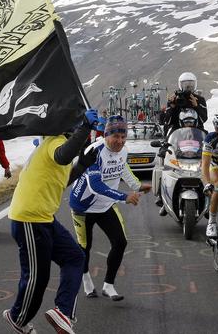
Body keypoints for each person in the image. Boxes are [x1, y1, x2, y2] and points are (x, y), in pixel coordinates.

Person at [3, 109, 98, 334]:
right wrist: (86, 127)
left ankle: (63, 313)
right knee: (37, 277)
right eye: (76, 126)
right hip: (29, 218)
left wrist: (82, 165)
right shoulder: (53, 142)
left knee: (75, 257)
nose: (77, 131)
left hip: (43, 218)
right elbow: (63, 154)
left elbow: (61, 180)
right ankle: (17, 318)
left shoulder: (56, 147)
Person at [69, 115, 152, 301]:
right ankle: (86, 279)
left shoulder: (123, 150)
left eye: (123, 137)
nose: (120, 141)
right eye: (116, 137)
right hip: (83, 206)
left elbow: (123, 168)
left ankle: (108, 285)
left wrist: (137, 186)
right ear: (106, 135)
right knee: (84, 247)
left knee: (120, 242)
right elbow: (96, 187)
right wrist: (125, 197)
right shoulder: (94, 151)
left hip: (105, 205)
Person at [154, 109, 199, 209]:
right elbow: (166, 142)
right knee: (164, 171)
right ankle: (161, 196)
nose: (189, 124)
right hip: (178, 159)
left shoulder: (201, 132)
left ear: (195, 122)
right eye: (186, 122)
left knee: (210, 173)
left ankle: (211, 200)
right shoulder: (174, 132)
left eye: (191, 122)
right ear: (181, 122)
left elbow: (207, 143)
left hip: (196, 160)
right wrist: (163, 149)